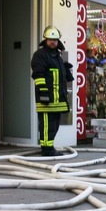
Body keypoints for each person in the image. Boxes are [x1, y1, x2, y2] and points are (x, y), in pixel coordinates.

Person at [30, 25, 74, 156]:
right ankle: (47, 149)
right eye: (50, 39)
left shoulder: (57, 56)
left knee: (54, 126)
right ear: (45, 40)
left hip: (58, 100)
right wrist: (43, 94)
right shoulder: (40, 55)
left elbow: (60, 78)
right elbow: (38, 75)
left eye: (55, 40)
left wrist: (65, 69)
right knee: (46, 125)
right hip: (47, 99)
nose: (52, 42)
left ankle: (50, 146)